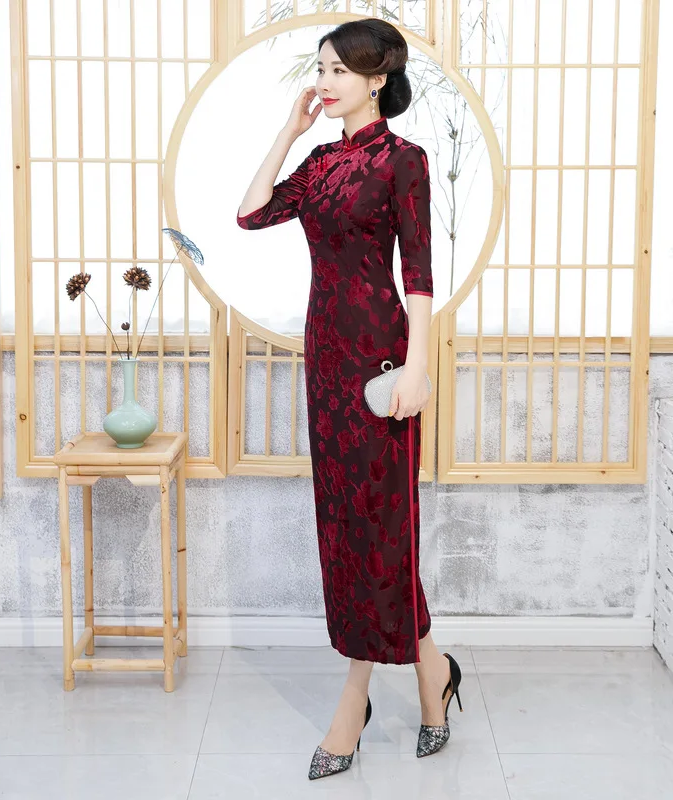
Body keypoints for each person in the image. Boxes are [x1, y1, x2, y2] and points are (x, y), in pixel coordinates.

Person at [236, 18, 464, 780]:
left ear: (377, 79)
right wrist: (288, 130)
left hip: (383, 359)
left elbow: (419, 274)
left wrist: (418, 368)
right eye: (321, 69)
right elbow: (251, 212)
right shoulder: (322, 160)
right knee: (346, 526)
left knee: (381, 528)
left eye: (339, 70)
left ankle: (353, 701)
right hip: (327, 360)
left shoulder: (405, 161)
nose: (325, 82)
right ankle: (434, 673)